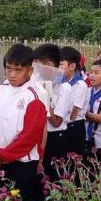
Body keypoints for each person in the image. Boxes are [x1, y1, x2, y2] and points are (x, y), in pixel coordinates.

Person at [0, 44, 46, 201]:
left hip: (22, 164)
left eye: (18, 70)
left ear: (30, 70)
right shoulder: (1, 89)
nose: (11, 74)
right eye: (8, 69)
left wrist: (2, 155)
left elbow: (29, 137)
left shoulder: (34, 96)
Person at [34, 44, 72, 182]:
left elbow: (56, 121)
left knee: (54, 178)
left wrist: (46, 99)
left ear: (49, 65)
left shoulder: (64, 88)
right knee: (40, 177)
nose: (35, 71)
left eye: (38, 66)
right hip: (40, 135)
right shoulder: (37, 84)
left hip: (56, 138)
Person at [60, 47, 89, 157]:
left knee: (74, 162)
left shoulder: (80, 85)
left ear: (72, 66)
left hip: (74, 127)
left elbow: (73, 114)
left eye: (61, 64)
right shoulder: (60, 82)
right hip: (62, 124)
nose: (57, 68)